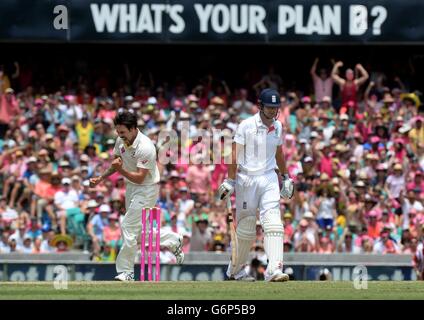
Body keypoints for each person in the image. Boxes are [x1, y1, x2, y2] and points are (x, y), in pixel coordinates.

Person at [89, 111, 184, 282]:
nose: (119, 135)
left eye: (123, 132)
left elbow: (140, 177)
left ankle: (126, 271)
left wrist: (121, 171)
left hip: (147, 188)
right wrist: (101, 178)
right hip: (131, 187)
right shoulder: (120, 140)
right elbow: (116, 164)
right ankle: (172, 239)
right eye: (118, 132)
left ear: (133, 129)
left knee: (127, 226)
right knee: (135, 233)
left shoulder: (145, 147)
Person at [218, 88, 294, 282]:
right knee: (246, 228)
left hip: (269, 177)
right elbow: (234, 153)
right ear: (260, 106)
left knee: (274, 223)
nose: (273, 111)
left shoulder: (277, 126)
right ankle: (236, 271)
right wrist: (230, 180)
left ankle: (274, 270)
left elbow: (278, 153)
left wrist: (285, 176)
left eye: (276, 108)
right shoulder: (246, 125)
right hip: (247, 179)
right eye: (269, 107)